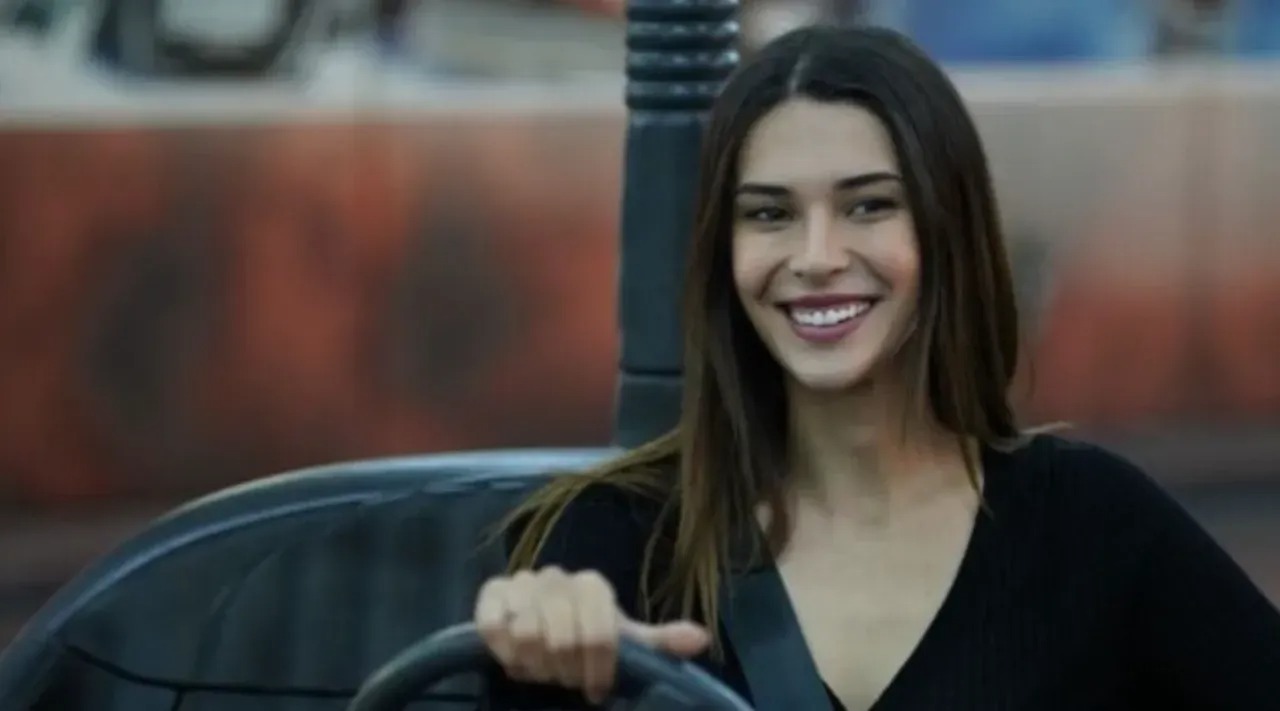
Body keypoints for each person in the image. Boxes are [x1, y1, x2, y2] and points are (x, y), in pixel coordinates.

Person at [472, 25, 1280, 710]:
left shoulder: (1090, 522)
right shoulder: (616, 537)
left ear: (946, 229)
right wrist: (530, 661)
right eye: (770, 214)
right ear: (724, 252)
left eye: (868, 205)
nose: (817, 256)